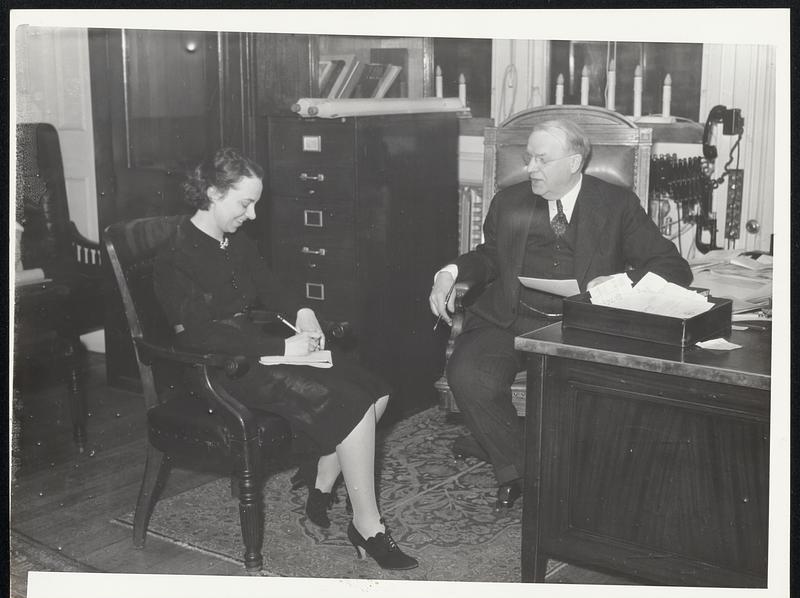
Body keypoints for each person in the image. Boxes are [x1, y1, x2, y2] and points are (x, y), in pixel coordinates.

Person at [154, 147, 417, 570]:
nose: (253, 215)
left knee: (377, 391)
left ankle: (321, 485)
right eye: (245, 203)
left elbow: (272, 287)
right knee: (350, 404)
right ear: (211, 193)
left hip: (252, 351)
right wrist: (280, 349)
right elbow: (201, 333)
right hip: (217, 368)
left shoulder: (233, 242)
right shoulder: (176, 255)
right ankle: (367, 526)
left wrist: (303, 313)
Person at [429, 119, 692, 510]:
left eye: (541, 159)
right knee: (468, 375)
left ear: (573, 163)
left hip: (579, 325)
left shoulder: (616, 204)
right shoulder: (510, 201)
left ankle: (529, 460)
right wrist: (448, 272)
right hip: (512, 317)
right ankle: (526, 471)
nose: (530, 167)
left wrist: (618, 279)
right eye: (528, 158)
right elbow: (489, 258)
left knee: (597, 396)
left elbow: (673, 268)